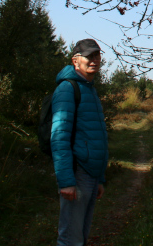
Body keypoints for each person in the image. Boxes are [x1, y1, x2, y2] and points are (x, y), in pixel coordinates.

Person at [51, 38, 109, 246]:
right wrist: (66, 181)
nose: (94, 60)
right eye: (88, 56)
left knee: (80, 237)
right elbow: (59, 137)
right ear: (76, 60)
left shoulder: (89, 89)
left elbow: (94, 135)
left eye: (97, 56)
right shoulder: (68, 89)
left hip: (91, 175)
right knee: (70, 239)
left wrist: (99, 178)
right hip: (77, 173)